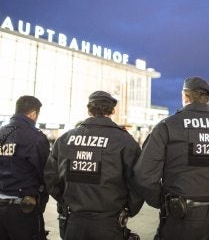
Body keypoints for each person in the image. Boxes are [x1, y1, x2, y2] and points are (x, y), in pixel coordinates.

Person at [133, 76, 209, 240]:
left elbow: (144, 176)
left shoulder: (167, 126)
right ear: (207, 99)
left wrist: (164, 202)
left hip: (181, 217)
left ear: (185, 96)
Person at [44, 91, 143, 240]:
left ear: (88, 109)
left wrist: (65, 201)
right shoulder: (125, 141)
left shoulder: (65, 139)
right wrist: (129, 209)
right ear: (112, 111)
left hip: (73, 220)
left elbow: (51, 177)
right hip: (109, 223)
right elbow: (138, 181)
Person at [0, 95, 50, 240]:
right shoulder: (36, 137)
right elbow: (45, 174)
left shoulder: (2, 131)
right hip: (23, 209)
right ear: (33, 113)